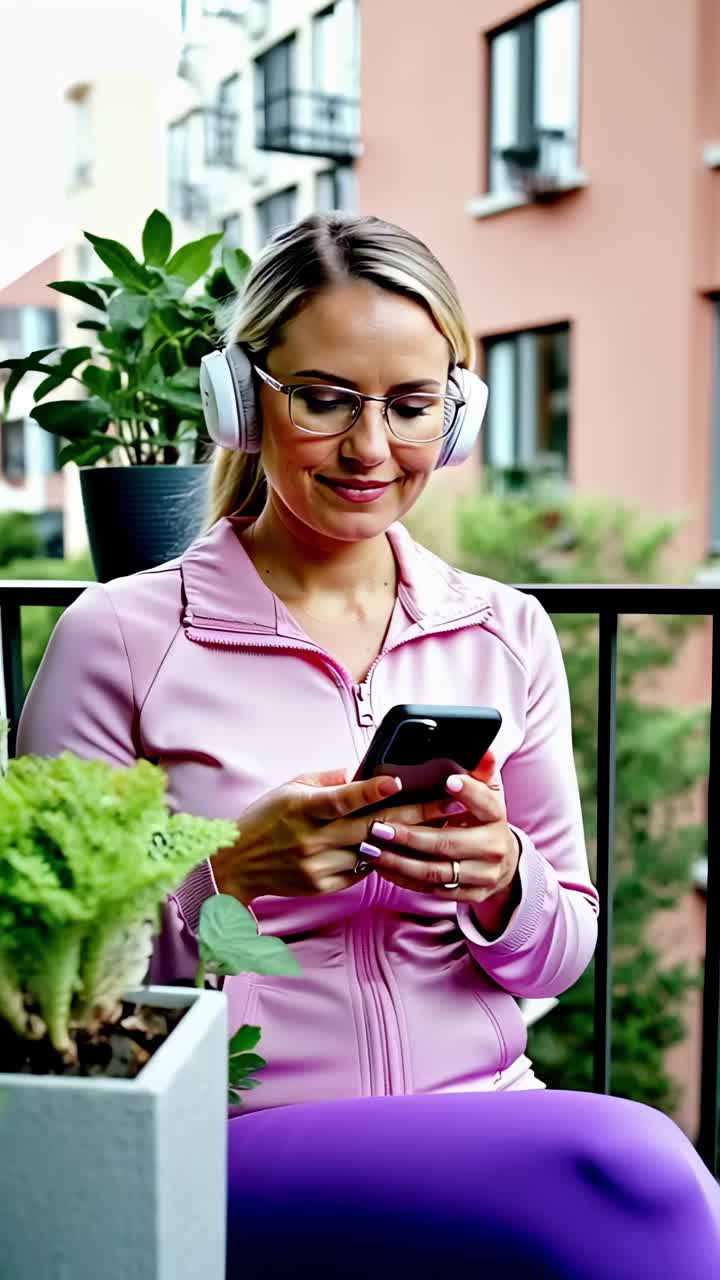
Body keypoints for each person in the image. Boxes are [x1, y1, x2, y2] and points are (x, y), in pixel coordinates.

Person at [16, 214, 720, 1277]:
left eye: (409, 404)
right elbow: (40, 984)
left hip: (485, 1120)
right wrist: (225, 877)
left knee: (624, 1179)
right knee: (634, 1169)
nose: (370, 446)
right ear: (242, 399)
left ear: (456, 417)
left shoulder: (504, 629)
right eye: (326, 397)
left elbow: (562, 948)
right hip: (232, 1135)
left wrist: (504, 881)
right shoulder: (119, 634)